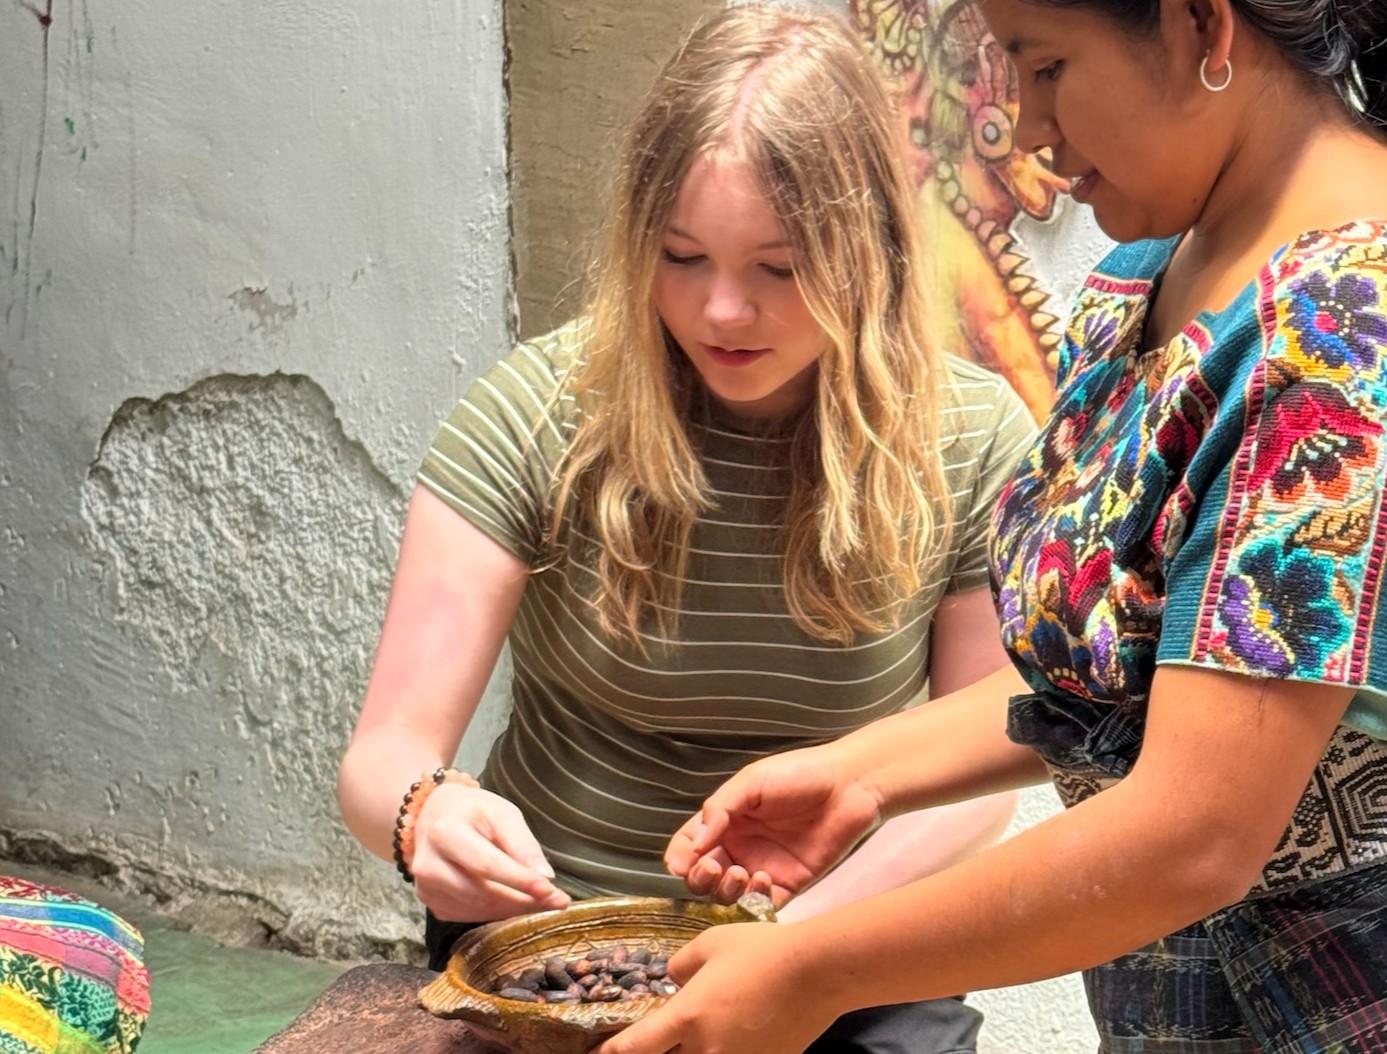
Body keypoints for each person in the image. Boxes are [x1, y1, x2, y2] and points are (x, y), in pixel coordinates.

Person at [619, 1, 1387, 1052]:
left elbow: (1196, 830)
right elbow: (1148, 682)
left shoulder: (1357, 318)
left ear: (1202, 28)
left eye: (1047, 66)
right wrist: (866, 772)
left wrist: (812, 967)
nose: (1028, 126)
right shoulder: (1157, 267)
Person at [334, 6, 1039, 1051]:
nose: (720, 311)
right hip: (557, 940)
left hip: (848, 945)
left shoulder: (973, 437)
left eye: (780, 267)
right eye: (680, 256)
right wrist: (422, 814)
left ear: (872, 248)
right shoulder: (541, 410)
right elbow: (386, 750)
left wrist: (789, 947)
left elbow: (982, 775)